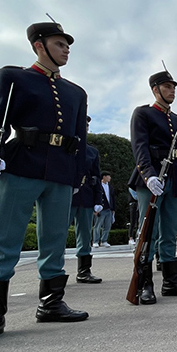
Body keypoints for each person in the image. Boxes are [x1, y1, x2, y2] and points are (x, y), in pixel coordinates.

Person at [0, 22, 89, 347]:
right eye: (59, 43)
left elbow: (80, 138)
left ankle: (51, 303)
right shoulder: (13, 77)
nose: (66, 49)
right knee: (4, 238)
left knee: (55, 239)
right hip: (21, 162)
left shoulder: (76, 92)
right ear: (39, 45)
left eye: (67, 45)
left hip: (61, 169)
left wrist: (76, 176)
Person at [128, 71, 177, 303]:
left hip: (174, 179)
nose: (172, 91)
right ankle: (145, 283)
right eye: (167, 87)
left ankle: (171, 282)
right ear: (155, 90)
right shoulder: (143, 113)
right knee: (149, 232)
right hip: (152, 179)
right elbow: (140, 147)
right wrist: (148, 175)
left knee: (169, 231)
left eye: (174, 87)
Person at [70, 118, 102, 284]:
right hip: (67, 196)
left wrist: (98, 199)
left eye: (87, 125)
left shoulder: (92, 152)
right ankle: (53, 271)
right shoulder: (67, 146)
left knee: (84, 235)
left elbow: (96, 177)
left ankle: (84, 271)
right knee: (58, 233)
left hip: (86, 197)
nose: (86, 128)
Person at [93, 172, 115, 247]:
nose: (110, 178)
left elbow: (112, 198)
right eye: (108, 176)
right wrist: (95, 209)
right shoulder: (99, 185)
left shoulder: (110, 186)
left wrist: (113, 209)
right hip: (101, 208)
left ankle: (104, 240)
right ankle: (95, 241)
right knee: (98, 225)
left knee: (107, 226)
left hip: (109, 208)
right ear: (104, 177)